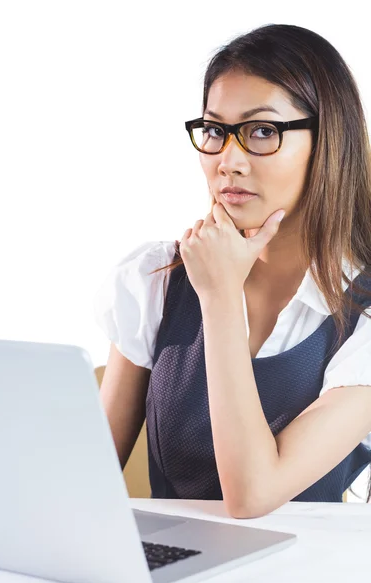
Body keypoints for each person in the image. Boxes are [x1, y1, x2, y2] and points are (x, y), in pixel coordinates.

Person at [94, 23, 371, 518]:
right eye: (216, 132)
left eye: (262, 131)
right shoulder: (156, 279)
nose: (229, 160)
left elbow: (252, 495)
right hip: (172, 580)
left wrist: (220, 298)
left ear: (327, 143)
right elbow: (83, 481)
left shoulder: (362, 314)